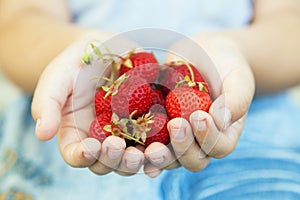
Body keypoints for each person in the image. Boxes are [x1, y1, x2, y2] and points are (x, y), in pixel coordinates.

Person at [0, 0, 300, 199]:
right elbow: (16, 22)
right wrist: (85, 52)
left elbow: (291, 25)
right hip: (71, 118)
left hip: (252, 127)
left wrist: (235, 49)